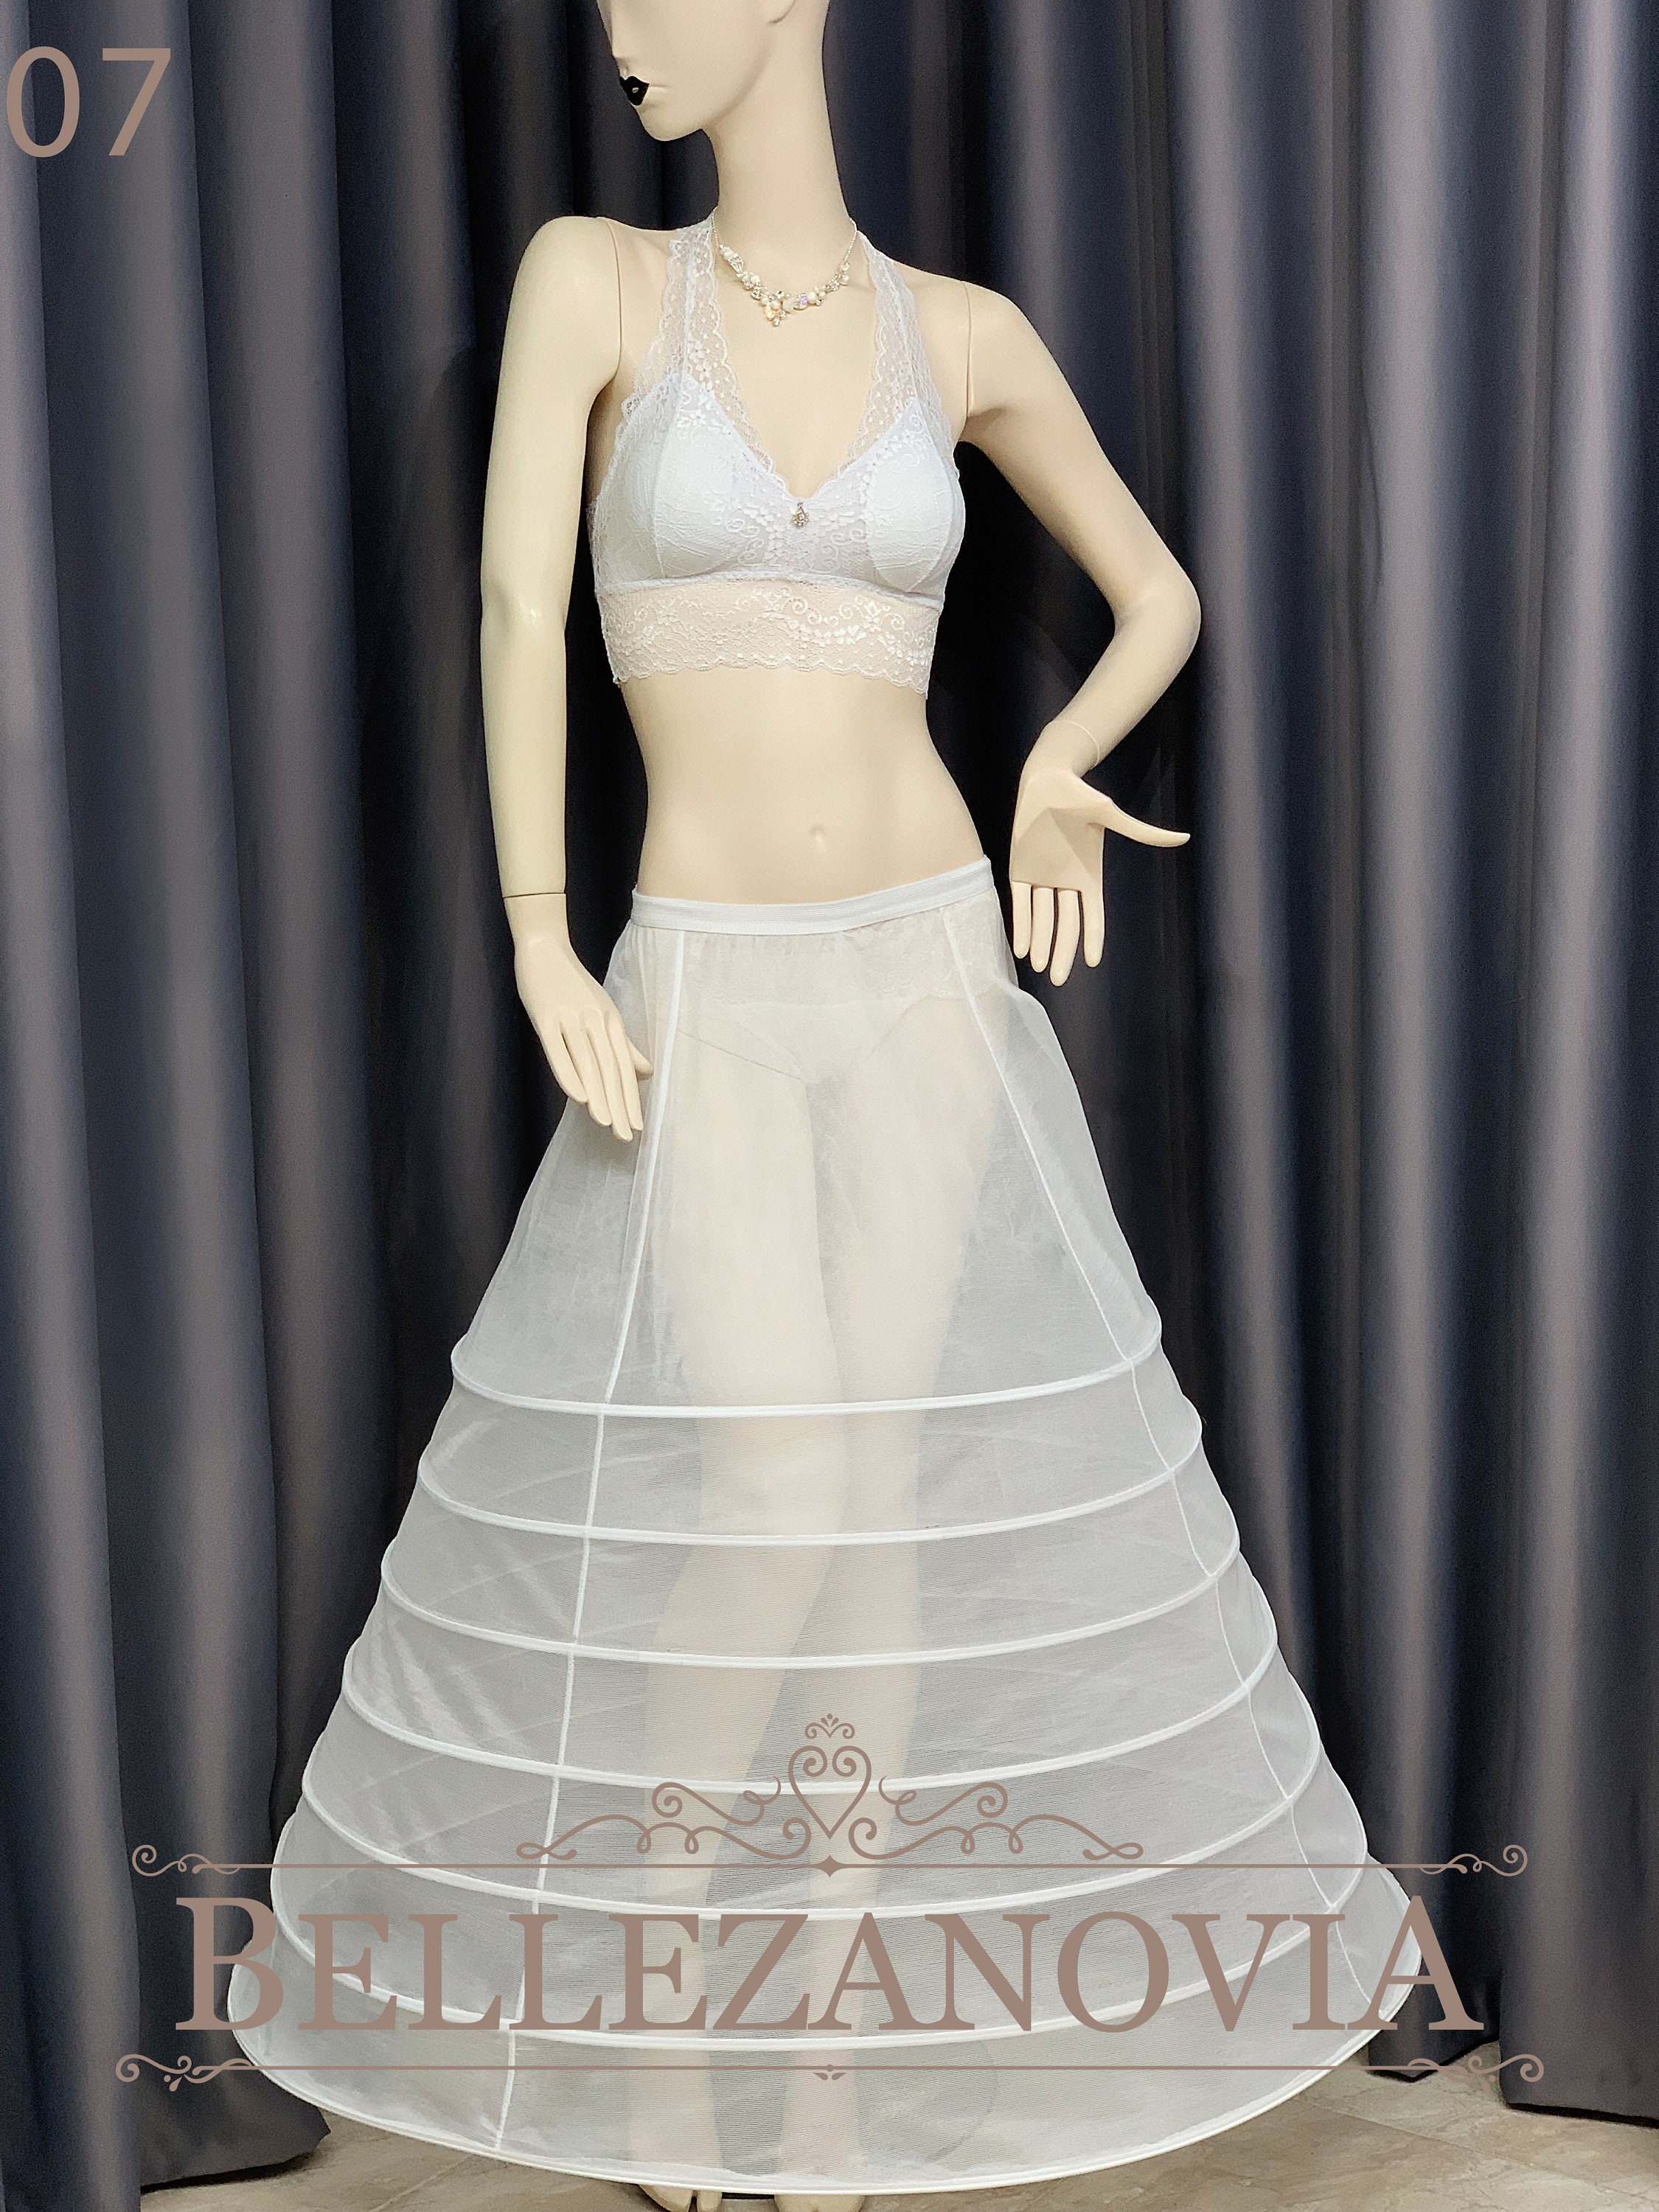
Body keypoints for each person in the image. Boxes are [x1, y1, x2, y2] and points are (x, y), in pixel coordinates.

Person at [230, 4, 1419, 2204]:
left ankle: (830, 2041)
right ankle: (670, 2020)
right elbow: (516, 597)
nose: (618, 31)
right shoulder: (597, 278)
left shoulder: (958, 334)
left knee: (867, 1504)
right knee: (771, 1494)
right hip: (700, 970)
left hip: (928, 966)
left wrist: (1054, 763)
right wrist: (536, 930)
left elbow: (1160, 594)